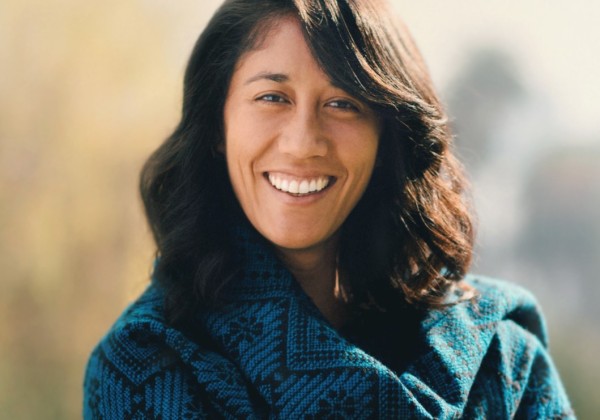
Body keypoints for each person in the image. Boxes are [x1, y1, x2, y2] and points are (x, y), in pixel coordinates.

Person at [83, 0, 574, 418]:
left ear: (388, 136)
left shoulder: (503, 361)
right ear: (217, 125)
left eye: (343, 104)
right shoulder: (143, 368)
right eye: (272, 97)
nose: (303, 144)